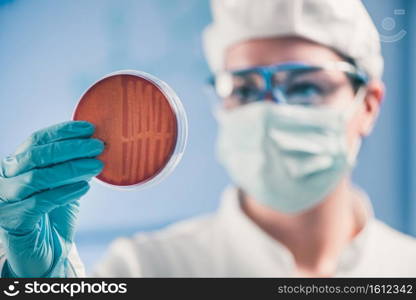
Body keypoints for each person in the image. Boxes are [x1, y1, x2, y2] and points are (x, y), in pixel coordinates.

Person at [1, 0, 416, 278]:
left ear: (368, 104)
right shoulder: (145, 269)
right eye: (246, 89)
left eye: (305, 87)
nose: (270, 111)